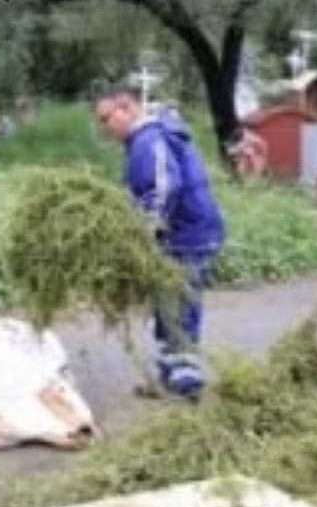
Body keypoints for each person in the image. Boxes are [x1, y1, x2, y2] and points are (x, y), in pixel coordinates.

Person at [94, 89, 226, 401]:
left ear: (126, 109)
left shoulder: (149, 140)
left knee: (178, 304)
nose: (103, 127)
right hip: (181, 233)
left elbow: (165, 187)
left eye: (105, 118)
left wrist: (145, 231)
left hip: (186, 234)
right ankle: (171, 374)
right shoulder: (144, 141)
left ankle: (187, 380)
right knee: (167, 303)